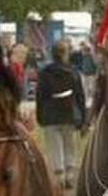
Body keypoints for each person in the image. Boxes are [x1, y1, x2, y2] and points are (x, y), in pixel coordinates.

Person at [36, 40, 86, 190]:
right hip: (69, 114)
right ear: (66, 54)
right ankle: (70, 176)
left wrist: (40, 115)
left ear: (52, 54)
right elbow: (80, 97)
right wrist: (83, 118)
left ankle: (59, 178)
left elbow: (40, 96)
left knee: (54, 148)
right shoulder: (74, 72)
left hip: (50, 115)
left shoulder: (44, 73)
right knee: (70, 145)